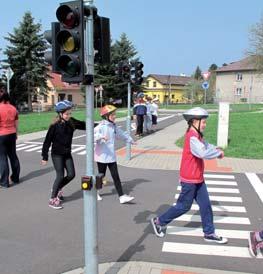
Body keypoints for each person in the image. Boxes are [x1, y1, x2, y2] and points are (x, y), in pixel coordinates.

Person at [150, 107, 228, 244]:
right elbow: (202, 153)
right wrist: (218, 154)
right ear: (194, 122)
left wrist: (215, 148)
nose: (205, 124)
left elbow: (206, 146)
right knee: (183, 207)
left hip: (197, 177)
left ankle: (209, 233)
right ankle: (158, 221)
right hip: (189, 179)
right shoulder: (192, 137)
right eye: (203, 122)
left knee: (205, 205)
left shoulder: (197, 135)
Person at [41, 100, 90, 209]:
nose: (69, 115)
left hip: (67, 154)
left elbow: (84, 125)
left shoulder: (71, 122)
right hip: (57, 155)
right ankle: (52, 199)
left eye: (70, 113)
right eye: (67, 114)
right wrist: (44, 156)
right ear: (60, 114)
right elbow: (47, 142)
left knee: (71, 174)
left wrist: (99, 125)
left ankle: (57, 188)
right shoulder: (54, 126)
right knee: (60, 175)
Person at [94, 105, 135, 204]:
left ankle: (121, 196)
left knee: (116, 176)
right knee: (101, 176)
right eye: (112, 115)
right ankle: (96, 192)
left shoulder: (113, 126)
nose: (114, 116)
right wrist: (100, 138)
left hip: (111, 156)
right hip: (102, 156)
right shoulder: (100, 127)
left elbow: (121, 134)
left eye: (114, 114)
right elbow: (94, 137)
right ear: (106, 116)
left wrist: (130, 140)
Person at [0, 84, 20, 188]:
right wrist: (16, 133)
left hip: (1, 135)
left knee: (2, 158)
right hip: (12, 133)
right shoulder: (13, 108)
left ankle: (4, 182)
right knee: (13, 156)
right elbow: (16, 122)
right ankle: (15, 177)